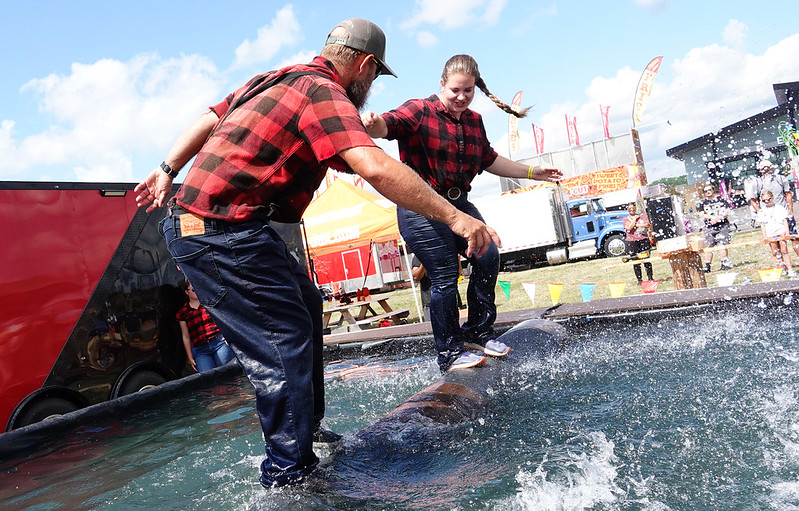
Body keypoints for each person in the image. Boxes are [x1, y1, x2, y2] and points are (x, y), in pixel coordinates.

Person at [134, 19, 500, 488]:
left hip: (232, 225)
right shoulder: (326, 93)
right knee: (284, 341)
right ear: (365, 66)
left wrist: (167, 167)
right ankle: (290, 479)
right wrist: (457, 216)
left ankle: (308, 431)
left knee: (306, 304)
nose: (369, 87)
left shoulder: (277, 77)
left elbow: (210, 117)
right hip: (217, 231)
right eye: (373, 78)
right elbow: (374, 165)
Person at [361, 54, 562, 373]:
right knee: (443, 275)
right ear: (442, 84)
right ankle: (450, 352)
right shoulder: (420, 109)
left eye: (468, 91)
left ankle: (478, 333)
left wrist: (532, 171)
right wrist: (375, 126)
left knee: (488, 256)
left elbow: (489, 159)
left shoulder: (473, 121)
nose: (461, 96)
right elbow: (391, 124)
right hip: (421, 206)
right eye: (455, 89)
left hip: (460, 204)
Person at [176, 280, 235, 372]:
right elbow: (186, 336)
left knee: (227, 373)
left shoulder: (208, 302)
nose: (196, 291)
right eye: (192, 289)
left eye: (197, 288)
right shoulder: (183, 312)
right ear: (186, 292)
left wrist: (227, 335)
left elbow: (222, 319)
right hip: (201, 349)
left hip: (218, 342)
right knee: (207, 376)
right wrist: (190, 356)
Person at [745, 159, 799, 258]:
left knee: (794, 238)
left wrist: (790, 210)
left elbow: (788, 194)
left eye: (767, 167)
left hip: (784, 214)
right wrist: (760, 212)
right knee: (776, 245)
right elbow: (752, 200)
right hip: (770, 218)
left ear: (771, 168)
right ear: (760, 169)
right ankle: (782, 266)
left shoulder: (780, 179)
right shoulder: (757, 182)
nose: (765, 170)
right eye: (763, 168)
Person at [756, 190, 796, 276]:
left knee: (784, 250)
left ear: (772, 198)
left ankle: (790, 268)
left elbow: (785, 221)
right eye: (764, 200)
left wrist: (787, 233)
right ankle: (780, 268)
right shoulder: (762, 211)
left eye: (768, 199)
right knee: (775, 252)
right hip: (770, 233)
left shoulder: (779, 208)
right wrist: (765, 236)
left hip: (781, 231)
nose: (766, 201)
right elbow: (762, 225)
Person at [696, 184, 734, 272]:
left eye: (709, 190)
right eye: (705, 191)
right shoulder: (702, 203)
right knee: (709, 246)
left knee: (722, 244)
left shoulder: (721, 200)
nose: (708, 192)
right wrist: (711, 218)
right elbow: (700, 214)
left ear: (713, 190)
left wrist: (719, 217)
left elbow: (728, 210)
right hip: (710, 227)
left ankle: (724, 263)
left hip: (722, 225)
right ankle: (707, 266)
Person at [622, 202, 654, 284]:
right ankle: (639, 280)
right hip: (632, 241)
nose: (631, 210)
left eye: (633, 208)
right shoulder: (625, 219)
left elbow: (647, 225)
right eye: (629, 209)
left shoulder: (642, 216)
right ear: (627, 210)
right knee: (635, 261)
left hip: (643, 239)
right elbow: (628, 227)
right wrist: (635, 219)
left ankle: (650, 278)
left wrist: (635, 225)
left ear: (635, 208)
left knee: (646, 259)